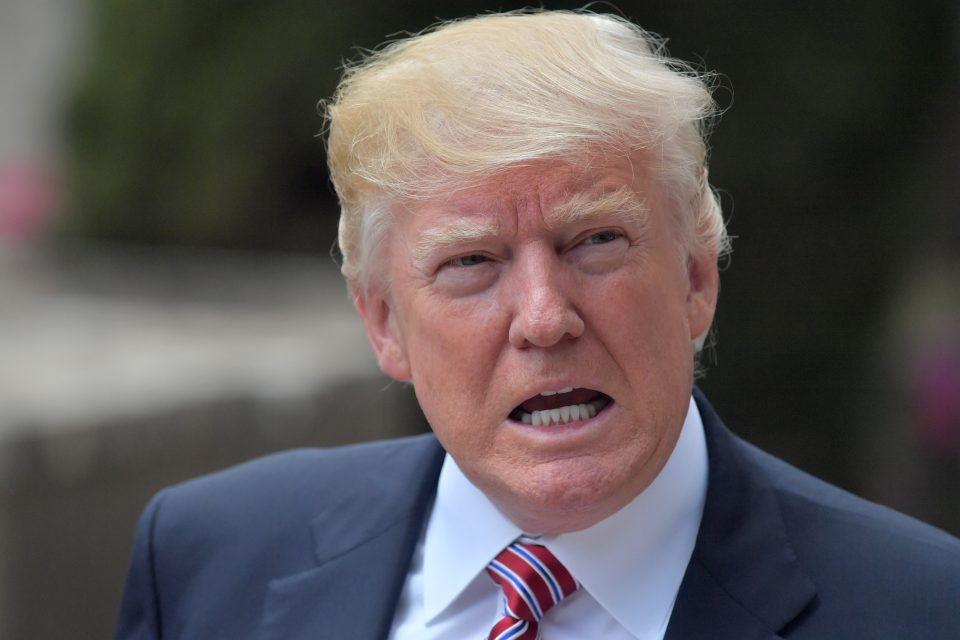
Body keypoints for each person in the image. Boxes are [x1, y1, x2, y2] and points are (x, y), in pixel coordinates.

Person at [116, 10, 960, 640]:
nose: (545, 318)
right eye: (472, 263)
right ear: (383, 323)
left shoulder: (920, 608)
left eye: (595, 242)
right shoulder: (205, 560)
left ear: (696, 277)